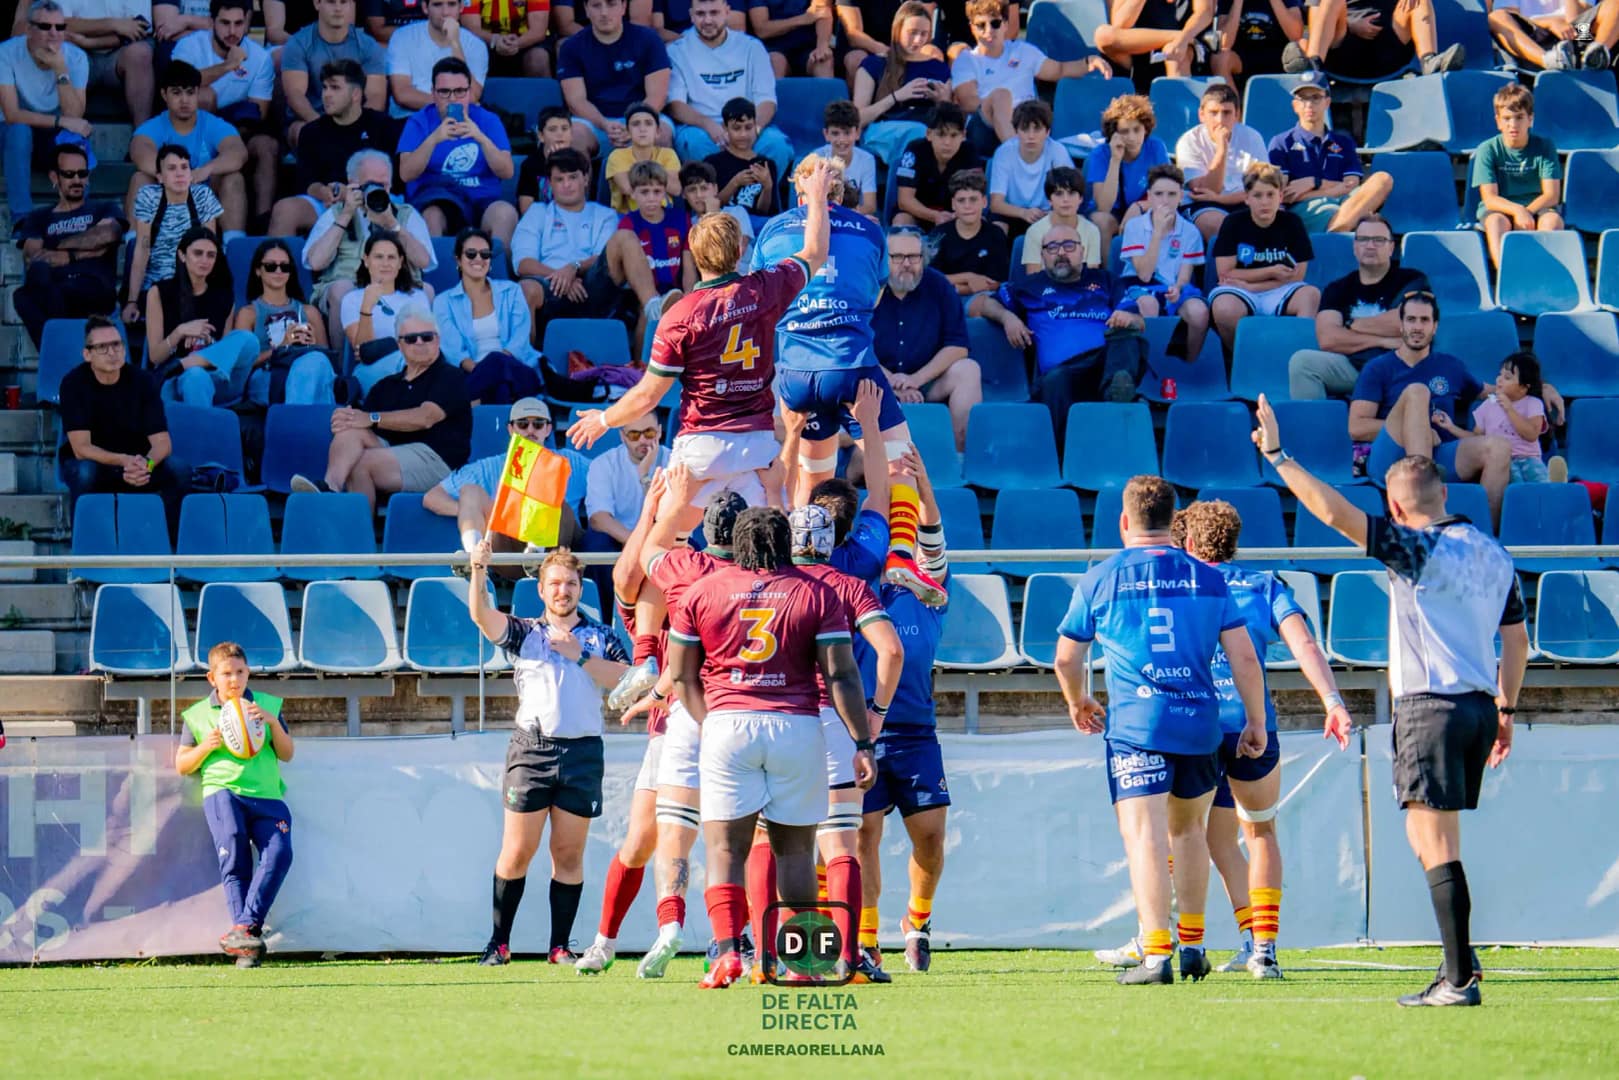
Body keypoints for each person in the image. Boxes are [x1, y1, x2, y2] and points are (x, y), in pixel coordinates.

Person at [1254, 394, 1527, 1006]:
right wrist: (1506, 709)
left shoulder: (1415, 548)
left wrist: (1277, 455)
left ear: (1398, 508)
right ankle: (1460, 960)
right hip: (1481, 705)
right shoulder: (1493, 551)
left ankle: (1458, 978)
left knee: (1431, 844)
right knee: (1441, 840)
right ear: (1447, 498)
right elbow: (1518, 640)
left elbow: (1333, 513)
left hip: (1430, 706)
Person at [1053, 474, 1270, 985]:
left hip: (1137, 724)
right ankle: (1193, 947)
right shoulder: (1209, 578)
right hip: (1200, 722)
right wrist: (1256, 720)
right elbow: (1242, 655)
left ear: (1124, 522)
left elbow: (1066, 657)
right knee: (1190, 832)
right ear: (1173, 525)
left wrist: (1077, 700)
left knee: (1145, 836)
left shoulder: (1101, 577)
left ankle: (1156, 954)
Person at [667, 506, 874, 988]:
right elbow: (841, 673)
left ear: (736, 543)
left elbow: (680, 674)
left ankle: (727, 955)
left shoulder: (703, 590)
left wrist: (711, 721)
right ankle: (804, 965)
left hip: (727, 724)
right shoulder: (817, 592)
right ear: (786, 542)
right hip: (796, 726)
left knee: (725, 848)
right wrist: (862, 742)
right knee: (796, 854)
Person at [569, 159, 830, 532]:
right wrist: (817, 198)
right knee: (765, 548)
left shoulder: (679, 315)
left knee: (664, 547)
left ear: (691, 251)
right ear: (740, 248)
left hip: (701, 447)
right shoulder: (766, 287)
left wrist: (604, 420)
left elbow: (648, 396)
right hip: (755, 444)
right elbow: (815, 253)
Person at [1174, 498, 1353, 978]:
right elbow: (1305, 645)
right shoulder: (1264, 584)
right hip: (1253, 725)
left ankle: (1164, 939)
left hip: (1194, 726)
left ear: (1189, 542)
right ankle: (1263, 948)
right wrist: (1332, 702)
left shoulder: (1181, 585)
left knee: (1191, 835)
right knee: (1256, 832)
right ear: (1233, 542)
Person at [468, 542, 631, 966]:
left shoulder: (600, 635)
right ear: (540, 589)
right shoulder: (526, 633)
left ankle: (560, 946)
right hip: (532, 750)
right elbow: (482, 618)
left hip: (582, 754)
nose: (563, 591)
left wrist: (580, 656)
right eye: (555, 584)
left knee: (568, 854)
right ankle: (498, 944)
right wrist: (479, 571)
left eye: (571, 584)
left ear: (581, 589)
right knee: (517, 851)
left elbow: (627, 680)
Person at [618, 477, 747, 977]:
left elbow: (649, 551)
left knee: (673, 834)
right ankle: (734, 940)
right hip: (744, 711)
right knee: (740, 841)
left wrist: (671, 501)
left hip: (689, 715)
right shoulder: (767, 574)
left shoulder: (688, 570)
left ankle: (670, 924)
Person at [775, 501, 903, 984]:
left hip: (778, 717)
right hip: (833, 720)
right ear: (834, 541)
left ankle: (781, 954)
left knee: (777, 843)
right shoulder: (850, 587)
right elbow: (891, 650)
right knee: (840, 842)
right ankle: (850, 955)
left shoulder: (772, 583)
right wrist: (876, 714)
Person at [751, 155, 916, 515]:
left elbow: (760, 295)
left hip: (796, 372)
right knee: (903, 467)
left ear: (799, 195)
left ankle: (805, 557)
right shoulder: (870, 231)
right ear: (840, 195)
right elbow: (877, 293)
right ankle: (903, 557)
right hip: (850, 366)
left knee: (814, 481)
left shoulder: (772, 230)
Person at [854, 446, 948, 975]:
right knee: (864, 835)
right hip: (863, 732)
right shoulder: (856, 585)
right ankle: (866, 939)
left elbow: (932, 529)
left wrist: (924, 482)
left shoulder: (930, 586)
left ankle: (917, 922)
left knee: (930, 835)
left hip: (915, 732)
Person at [175, 641, 296, 969]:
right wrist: (206, 748)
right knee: (236, 858)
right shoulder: (198, 715)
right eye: (226, 673)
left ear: (248, 673)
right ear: (212, 678)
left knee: (280, 853)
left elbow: (287, 753)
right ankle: (247, 949)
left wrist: (272, 724)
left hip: (268, 795)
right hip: (223, 792)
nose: (234, 679)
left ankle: (244, 929)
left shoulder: (267, 705)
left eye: (240, 672)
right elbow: (182, 764)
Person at [1349, 292, 1511, 527]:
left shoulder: (1450, 365)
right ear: (1401, 325)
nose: (1417, 327)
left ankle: (1481, 538)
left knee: (1498, 448)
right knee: (1417, 391)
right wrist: (1417, 429)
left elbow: (1495, 391)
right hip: (1391, 458)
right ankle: (1425, 503)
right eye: (1411, 320)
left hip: (1441, 456)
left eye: (1424, 320)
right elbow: (1356, 427)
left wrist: (1541, 388)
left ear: (1435, 327)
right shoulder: (1379, 368)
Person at [291, 302, 472, 509]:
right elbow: (360, 421)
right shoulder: (387, 385)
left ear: (438, 340)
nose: (420, 342)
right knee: (351, 430)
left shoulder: (450, 376)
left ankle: (357, 533)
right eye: (412, 339)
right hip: (393, 452)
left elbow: (425, 418)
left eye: (427, 337)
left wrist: (372, 418)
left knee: (362, 463)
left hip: (437, 459)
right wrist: (344, 420)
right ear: (400, 345)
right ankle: (330, 487)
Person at [978, 224, 1147, 441]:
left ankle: (1115, 395)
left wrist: (1128, 318)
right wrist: (1007, 317)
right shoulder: (1028, 286)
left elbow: (1140, 322)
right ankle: (1061, 460)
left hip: (1105, 366)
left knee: (1127, 336)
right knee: (1055, 381)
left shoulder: (1106, 280)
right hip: (1063, 375)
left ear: (1082, 251)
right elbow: (985, 304)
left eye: (1069, 246)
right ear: (1042, 255)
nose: (1061, 253)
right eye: (1052, 247)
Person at [511, 147, 666, 338]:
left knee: (625, 237)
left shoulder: (604, 215)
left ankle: (654, 309)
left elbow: (605, 258)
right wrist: (561, 276)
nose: (567, 184)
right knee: (524, 289)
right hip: (548, 286)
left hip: (593, 287)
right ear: (550, 184)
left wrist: (573, 268)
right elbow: (523, 264)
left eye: (573, 177)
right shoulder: (537, 212)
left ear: (585, 179)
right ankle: (527, 364)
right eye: (560, 179)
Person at [304, 147, 438, 347]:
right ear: (352, 183)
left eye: (382, 185)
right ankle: (343, 370)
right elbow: (315, 262)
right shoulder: (337, 213)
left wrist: (393, 225)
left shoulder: (405, 214)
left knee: (426, 290)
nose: (376, 191)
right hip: (350, 284)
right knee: (341, 290)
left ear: (391, 185)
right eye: (370, 185)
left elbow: (425, 263)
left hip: (397, 284)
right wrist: (346, 215)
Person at [425, 396, 587, 561]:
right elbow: (432, 497)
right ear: (511, 429)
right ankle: (473, 558)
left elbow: (606, 482)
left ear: (548, 429)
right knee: (470, 491)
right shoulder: (488, 467)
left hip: (559, 549)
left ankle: (535, 552)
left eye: (538, 424)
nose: (530, 430)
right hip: (509, 546)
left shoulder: (573, 461)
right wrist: (473, 512)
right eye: (523, 424)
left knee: (550, 482)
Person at [58, 316, 185, 526]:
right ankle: (85, 548)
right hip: (97, 463)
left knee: (179, 470)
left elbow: (163, 443)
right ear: (87, 354)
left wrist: (147, 464)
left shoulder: (143, 381)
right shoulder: (73, 384)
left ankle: (168, 547)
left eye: (116, 344)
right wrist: (124, 460)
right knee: (84, 472)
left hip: (139, 464)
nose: (112, 353)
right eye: (102, 347)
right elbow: (81, 448)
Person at [1288, 213, 1427, 401]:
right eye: (1363, 239)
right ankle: (1318, 429)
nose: (1370, 246)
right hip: (1353, 366)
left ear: (1391, 247)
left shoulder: (1412, 280)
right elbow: (1328, 339)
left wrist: (1353, 325)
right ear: (1355, 247)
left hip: (1401, 366)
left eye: (1378, 240)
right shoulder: (1337, 289)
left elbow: (1409, 323)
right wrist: (1383, 341)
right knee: (1303, 363)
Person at [170, 0, 279, 230]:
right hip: (192, 133)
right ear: (211, 22)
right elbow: (179, 91)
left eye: (238, 23)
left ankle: (263, 226)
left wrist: (228, 141)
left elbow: (259, 112)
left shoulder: (259, 57)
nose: (232, 31)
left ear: (247, 21)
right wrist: (228, 66)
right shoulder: (188, 47)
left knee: (266, 145)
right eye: (225, 23)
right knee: (204, 96)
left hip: (237, 132)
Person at [873, 227, 980, 450]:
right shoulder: (867, 287)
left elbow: (958, 346)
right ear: (883, 258)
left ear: (924, 257)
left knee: (968, 369)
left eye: (913, 256)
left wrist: (915, 380)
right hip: (876, 382)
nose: (906, 264)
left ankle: (958, 460)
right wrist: (891, 380)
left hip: (927, 381)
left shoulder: (939, 286)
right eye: (897, 257)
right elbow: (854, 345)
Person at [267, 59, 399, 238]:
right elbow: (306, 181)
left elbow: (396, 179)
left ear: (356, 94)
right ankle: (277, 263)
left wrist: (357, 193)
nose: (326, 94)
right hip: (328, 204)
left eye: (335, 88)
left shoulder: (383, 127)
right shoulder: (311, 131)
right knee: (285, 210)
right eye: (325, 87)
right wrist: (323, 192)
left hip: (376, 199)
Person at [950, 0, 1107, 150]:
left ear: (1005, 25)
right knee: (1001, 96)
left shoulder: (1023, 51)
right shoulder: (966, 60)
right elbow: (969, 103)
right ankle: (1016, 153)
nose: (988, 31)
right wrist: (1005, 114)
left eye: (995, 24)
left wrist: (1088, 62)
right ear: (972, 28)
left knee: (1038, 118)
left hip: (1026, 124)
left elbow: (1059, 70)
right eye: (981, 26)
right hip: (986, 130)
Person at [11, 143, 124, 349]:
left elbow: (107, 234)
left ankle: (59, 353)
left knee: (39, 295)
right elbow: (35, 255)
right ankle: (63, 352)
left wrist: (66, 254)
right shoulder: (38, 217)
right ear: (55, 178)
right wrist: (87, 249)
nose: (77, 180)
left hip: (94, 287)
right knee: (24, 293)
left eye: (82, 174)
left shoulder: (103, 208)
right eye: (69, 174)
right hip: (53, 287)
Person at [398, 56, 518, 246]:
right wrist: (433, 139)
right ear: (433, 93)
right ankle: (434, 275)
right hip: (438, 198)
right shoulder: (419, 121)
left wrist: (480, 137)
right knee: (432, 217)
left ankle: (497, 274)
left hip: (482, 200)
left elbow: (507, 171)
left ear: (470, 92)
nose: (453, 98)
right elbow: (405, 174)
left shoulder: (488, 120)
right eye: (445, 92)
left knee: (505, 213)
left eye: (460, 91)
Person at [666, 0, 792, 175]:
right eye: (701, 14)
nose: (708, 20)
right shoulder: (676, 51)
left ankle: (756, 198)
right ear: (692, 16)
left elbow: (767, 100)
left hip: (748, 123)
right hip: (702, 127)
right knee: (694, 143)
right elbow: (676, 105)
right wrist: (709, 125)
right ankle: (714, 200)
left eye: (714, 13)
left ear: (727, 12)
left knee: (777, 145)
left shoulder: (751, 47)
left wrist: (752, 129)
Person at [1208, 162, 1319, 356]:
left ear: (1281, 196)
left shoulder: (1292, 223)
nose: (1264, 202)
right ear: (1247, 198)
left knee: (1310, 295)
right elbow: (1225, 273)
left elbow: (1297, 275)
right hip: (1240, 290)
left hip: (1275, 290)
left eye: (1270, 195)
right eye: (1257, 195)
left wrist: (1253, 285)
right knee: (1224, 307)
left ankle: (1295, 359)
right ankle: (1244, 359)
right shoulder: (1233, 223)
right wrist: (1270, 272)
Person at [145, 226, 259, 405]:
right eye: (198, 253)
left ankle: (184, 364)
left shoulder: (224, 296)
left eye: (211, 255)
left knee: (248, 339)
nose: (204, 260)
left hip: (218, 380)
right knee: (196, 376)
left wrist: (209, 345)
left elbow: (224, 352)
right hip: (175, 380)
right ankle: (182, 368)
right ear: (182, 255)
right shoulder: (159, 292)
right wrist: (180, 332)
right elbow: (155, 357)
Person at [126, 62, 245, 234]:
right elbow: (140, 153)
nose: (184, 100)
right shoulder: (153, 126)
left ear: (198, 93)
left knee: (234, 178)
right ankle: (133, 243)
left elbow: (238, 152)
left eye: (190, 93)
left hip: (204, 196)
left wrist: (206, 169)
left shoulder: (212, 123)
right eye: (176, 93)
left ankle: (232, 246)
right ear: (164, 95)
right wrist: (178, 178)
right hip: (167, 196)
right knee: (140, 179)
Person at [1266, 72, 1390, 234]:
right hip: (1309, 210)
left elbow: (1351, 185)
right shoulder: (1282, 142)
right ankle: (1339, 231)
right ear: (1295, 106)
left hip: (1346, 203)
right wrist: (1335, 188)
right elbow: (1285, 196)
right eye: (1303, 98)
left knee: (1383, 179)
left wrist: (1314, 182)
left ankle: (1336, 231)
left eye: (1316, 97)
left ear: (1327, 102)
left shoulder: (1344, 142)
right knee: (1344, 213)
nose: (1309, 104)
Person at [0, 1, 90, 220]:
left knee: (75, 137)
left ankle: (78, 215)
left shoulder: (76, 58)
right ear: (29, 29)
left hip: (48, 136)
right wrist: (59, 122)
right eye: (45, 27)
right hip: (11, 134)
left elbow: (75, 115)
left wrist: (60, 69)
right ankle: (22, 220)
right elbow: (12, 114)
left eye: (60, 27)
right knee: (20, 130)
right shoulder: (6, 52)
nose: (53, 34)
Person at [432, 227, 543, 402]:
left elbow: (520, 339)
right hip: (471, 375)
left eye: (485, 254)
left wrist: (495, 366)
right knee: (500, 386)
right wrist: (486, 373)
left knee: (498, 363)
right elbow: (453, 351)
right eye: (470, 254)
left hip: (518, 371)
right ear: (458, 260)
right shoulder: (443, 302)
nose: (478, 259)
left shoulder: (511, 291)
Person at [1119, 165, 1210, 373]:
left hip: (1172, 287)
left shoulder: (1190, 232)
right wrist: (1158, 232)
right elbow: (1143, 274)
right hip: (1139, 285)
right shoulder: (1135, 227)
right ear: (1149, 196)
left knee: (1199, 312)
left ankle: (1188, 367)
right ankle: (1149, 368)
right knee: (1149, 305)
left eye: (1172, 194)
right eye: (1159, 194)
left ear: (1181, 196)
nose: (1165, 200)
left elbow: (1185, 274)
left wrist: (1178, 287)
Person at [558, 0, 672, 157]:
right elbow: (576, 101)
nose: (604, 12)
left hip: (641, 116)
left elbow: (657, 96)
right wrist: (604, 124)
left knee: (662, 135)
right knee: (574, 138)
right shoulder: (571, 47)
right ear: (586, 9)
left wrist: (633, 124)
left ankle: (653, 182)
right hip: (594, 122)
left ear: (623, 7)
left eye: (611, 4)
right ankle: (581, 182)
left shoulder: (649, 40)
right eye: (596, 5)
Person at [233, 238, 337, 407]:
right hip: (270, 375)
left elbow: (326, 358)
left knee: (316, 362)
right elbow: (242, 365)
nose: (279, 271)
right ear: (258, 270)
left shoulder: (309, 312)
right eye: (271, 266)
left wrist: (312, 344)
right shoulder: (249, 314)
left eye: (285, 267)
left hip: (307, 369)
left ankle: (293, 422)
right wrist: (281, 347)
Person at [1473, 82, 1564, 270]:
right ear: (1498, 121)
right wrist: (1517, 211)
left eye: (1519, 117)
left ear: (1530, 119)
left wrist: (1527, 212)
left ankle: (1541, 273)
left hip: (1537, 207)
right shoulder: (1487, 149)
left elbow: (1551, 195)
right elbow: (1490, 199)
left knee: (1552, 221)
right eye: (1506, 118)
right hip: (1501, 208)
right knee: (1496, 222)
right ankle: (1506, 275)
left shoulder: (1545, 146)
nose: (1513, 124)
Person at [1434, 351, 1559, 486]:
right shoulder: (1488, 405)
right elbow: (1476, 437)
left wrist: (1509, 408)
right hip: (1503, 461)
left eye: (1507, 377)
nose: (1499, 379)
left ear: (1523, 387)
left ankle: (1555, 483)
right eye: (1500, 374)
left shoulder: (1533, 403)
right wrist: (1451, 426)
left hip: (1530, 459)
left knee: (1540, 486)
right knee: (1516, 487)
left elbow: (1531, 434)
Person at [851, 1, 951, 167]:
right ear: (897, 31)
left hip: (927, 127)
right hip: (884, 129)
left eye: (924, 34)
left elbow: (951, 119)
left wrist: (942, 101)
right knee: (919, 134)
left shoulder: (938, 68)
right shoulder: (874, 64)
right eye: (912, 33)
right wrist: (896, 97)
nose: (918, 40)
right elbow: (856, 119)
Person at [340, 229, 437, 394]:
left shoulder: (417, 297)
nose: (385, 263)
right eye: (379, 257)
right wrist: (367, 308)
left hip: (415, 367)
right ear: (366, 260)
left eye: (391, 257)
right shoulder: (352, 299)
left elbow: (426, 343)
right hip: (371, 371)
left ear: (400, 262)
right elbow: (364, 352)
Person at [280, 0, 388, 148]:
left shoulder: (368, 46)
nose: (338, 8)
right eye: (331, 2)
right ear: (317, 3)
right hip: (312, 120)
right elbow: (295, 94)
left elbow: (376, 96)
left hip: (356, 121)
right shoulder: (298, 43)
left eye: (343, 2)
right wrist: (324, 127)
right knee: (303, 132)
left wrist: (355, 127)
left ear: (351, 5)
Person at [1175, 81, 1268, 244]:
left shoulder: (1252, 137)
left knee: (1278, 221)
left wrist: (1222, 199)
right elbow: (1206, 191)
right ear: (1201, 115)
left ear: (1236, 115)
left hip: (1244, 201)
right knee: (1219, 226)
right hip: (1204, 205)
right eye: (1213, 113)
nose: (1220, 120)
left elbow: (1264, 187)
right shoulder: (1188, 141)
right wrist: (1222, 149)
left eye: (1226, 113)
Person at [1084, 95, 1171, 257]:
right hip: (1112, 213)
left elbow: (1170, 193)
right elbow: (1103, 207)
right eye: (1124, 131)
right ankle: (1109, 276)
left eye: (1137, 129)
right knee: (1102, 221)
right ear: (1113, 134)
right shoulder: (1100, 154)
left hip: (1145, 209)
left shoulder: (1156, 147)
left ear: (1146, 129)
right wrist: (1115, 160)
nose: (1131, 137)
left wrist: (1139, 207)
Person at [1286, 0, 1464, 77]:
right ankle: (1314, 65)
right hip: (1344, 47)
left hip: (1390, 47)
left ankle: (1429, 60)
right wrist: (1351, 24)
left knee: (1419, 0)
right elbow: (1315, 14)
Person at [51, 0, 156, 127]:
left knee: (140, 53)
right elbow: (57, 22)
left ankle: (143, 135)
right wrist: (112, 24)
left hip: (118, 51)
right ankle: (65, 133)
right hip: (78, 51)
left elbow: (140, 28)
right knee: (60, 49)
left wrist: (88, 42)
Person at [584, 411, 670, 550]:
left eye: (649, 433)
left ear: (659, 431)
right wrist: (635, 544)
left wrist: (644, 476)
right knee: (597, 542)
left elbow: (667, 515)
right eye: (634, 435)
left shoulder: (673, 461)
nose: (642, 440)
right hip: (619, 536)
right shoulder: (604, 463)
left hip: (661, 537)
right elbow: (599, 518)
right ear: (623, 436)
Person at [927, 169, 1008, 319]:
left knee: (986, 304)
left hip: (978, 297)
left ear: (984, 202)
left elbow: (996, 282)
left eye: (973, 199)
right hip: (942, 296)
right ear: (953, 204)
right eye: (961, 200)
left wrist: (959, 288)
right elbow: (930, 278)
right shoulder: (938, 234)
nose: (967, 206)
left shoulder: (995, 234)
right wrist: (968, 277)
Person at [386, 0, 489, 116]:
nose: (445, 12)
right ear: (425, 8)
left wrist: (455, 43)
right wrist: (450, 105)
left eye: (451, 4)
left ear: (461, 7)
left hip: (459, 119)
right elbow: (402, 94)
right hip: (410, 117)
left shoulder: (476, 45)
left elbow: (472, 96)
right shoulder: (402, 37)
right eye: (437, 4)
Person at [987, 98, 1071, 234]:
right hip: (1012, 213)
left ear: (1048, 131)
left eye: (1037, 129)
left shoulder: (1058, 151)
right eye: (1025, 129)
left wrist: (1049, 214)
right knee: (997, 226)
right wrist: (1023, 213)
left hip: (1047, 214)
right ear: (1016, 131)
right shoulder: (1004, 152)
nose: (1031, 136)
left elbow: (1068, 197)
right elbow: (996, 204)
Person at [892, 101, 980, 228]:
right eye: (941, 135)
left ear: (963, 135)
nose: (947, 142)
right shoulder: (915, 150)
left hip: (956, 215)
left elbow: (975, 197)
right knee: (901, 221)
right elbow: (905, 200)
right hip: (918, 213)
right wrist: (935, 216)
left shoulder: (969, 153)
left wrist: (960, 214)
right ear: (929, 134)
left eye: (954, 135)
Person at [619, 161, 696, 296]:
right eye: (644, 192)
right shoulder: (628, 224)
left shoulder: (681, 219)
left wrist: (689, 296)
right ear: (632, 193)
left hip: (676, 293)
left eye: (657, 192)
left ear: (665, 192)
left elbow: (689, 266)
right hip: (641, 296)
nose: (651, 198)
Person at [1093, 0, 1214, 79]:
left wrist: (1184, 38)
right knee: (1103, 35)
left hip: (1186, 44)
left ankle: (1178, 116)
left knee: (1174, 53)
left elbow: (1205, 12)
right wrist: (1178, 37)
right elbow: (1121, 23)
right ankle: (1174, 37)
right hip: (1142, 46)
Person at [1020, 166, 1104, 272]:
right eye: (1059, 194)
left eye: (1071, 193)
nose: (1065, 199)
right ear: (1049, 200)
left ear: (1081, 199)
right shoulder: (1035, 232)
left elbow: (1091, 275)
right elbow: (1033, 277)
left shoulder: (1092, 231)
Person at [604, 101, 682, 213]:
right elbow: (627, 188)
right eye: (636, 124)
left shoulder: (668, 154)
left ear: (658, 132)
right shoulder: (617, 156)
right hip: (627, 216)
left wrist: (638, 175)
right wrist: (660, 177)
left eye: (648, 123)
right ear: (628, 132)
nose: (642, 129)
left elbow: (675, 189)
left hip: (663, 214)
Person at [705, 96, 777, 214]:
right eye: (736, 128)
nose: (743, 134)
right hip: (726, 225)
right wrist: (735, 183)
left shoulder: (767, 165)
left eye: (748, 127)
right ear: (725, 127)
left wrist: (767, 187)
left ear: (755, 125)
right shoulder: (712, 163)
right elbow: (710, 207)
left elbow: (764, 213)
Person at [1210, 0, 1305, 84]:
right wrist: (1237, 3)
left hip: (1280, 56)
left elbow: (1296, 35)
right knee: (1220, 59)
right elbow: (1224, 44)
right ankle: (1231, 103)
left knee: (1303, 46)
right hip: (1243, 58)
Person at [816, 100, 879, 219]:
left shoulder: (866, 160)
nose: (842, 140)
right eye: (835, 133)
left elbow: (870, 206)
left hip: (854, 217)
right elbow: (809, 203)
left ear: (857, 133)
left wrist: (844, 215)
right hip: (823, 217)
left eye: (847, 133)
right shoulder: (817, 158)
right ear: (826, 134)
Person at [460, 0, 552, 76]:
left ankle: (543, 97)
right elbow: (471, 28)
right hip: (486, 41)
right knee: (470, 55)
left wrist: (516, 43)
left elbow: (538, 30)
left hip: (526, 41)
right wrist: (495, 40)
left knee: (538, 58)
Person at [515, 105, 578, 213]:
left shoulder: (579, 162)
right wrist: (551, 166)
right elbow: (526, 209)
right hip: (540, 223)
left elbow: (579, 204)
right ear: (541, 136)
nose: (560, 133)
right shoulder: (530, 165)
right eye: (552, 129)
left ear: (571, 134)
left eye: (565, 128)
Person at [746, 0, 834, 76]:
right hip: (773, 48)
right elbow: (762, 30)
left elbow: (822, 12)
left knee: (824, 61)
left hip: (807, 48)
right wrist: (803, 19)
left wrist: (822, 46)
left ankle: (831, 96)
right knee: (776, 62)